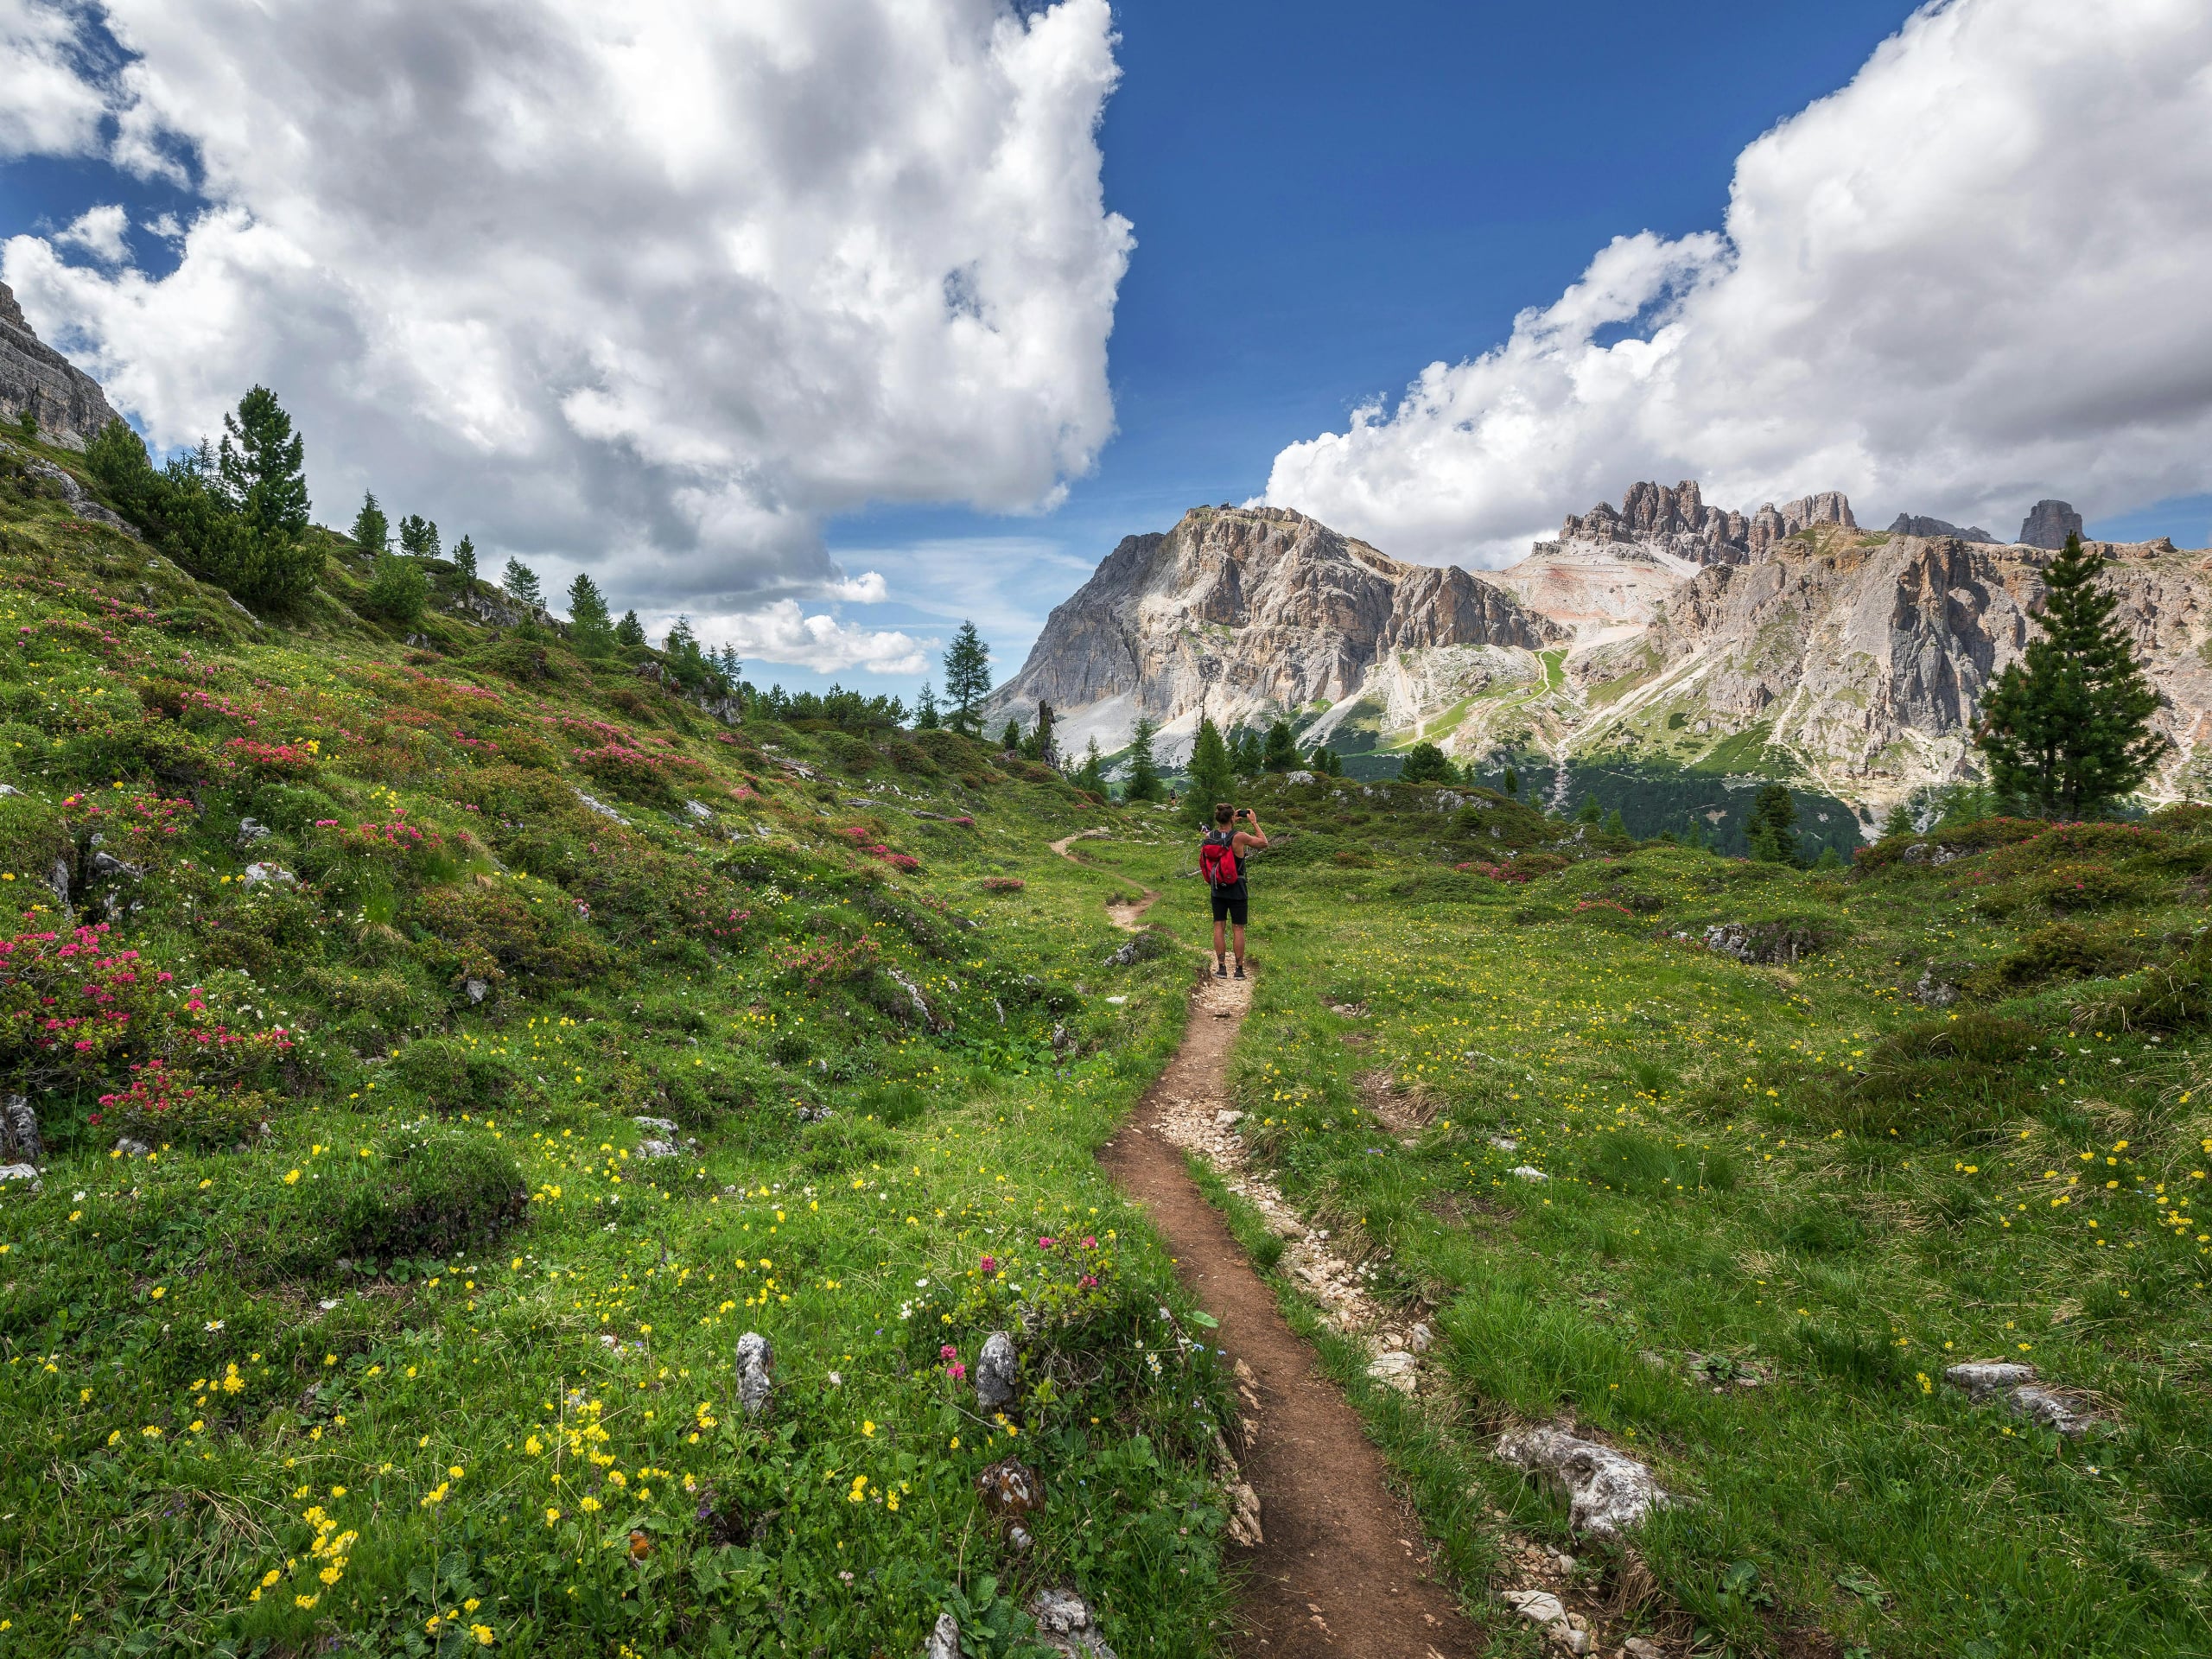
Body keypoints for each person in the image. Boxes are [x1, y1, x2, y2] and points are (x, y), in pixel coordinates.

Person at [1199, 802, 1268, 979]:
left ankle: (1221, 968)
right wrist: (1253, 822)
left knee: (1219, 926)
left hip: (1217, 888)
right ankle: (1239, 970)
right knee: (1238, 928)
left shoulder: (1209, 837)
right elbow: (1263, 843)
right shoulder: (1239, 837)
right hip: (1237, 887)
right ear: (1232, 818)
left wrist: (1230, 821)